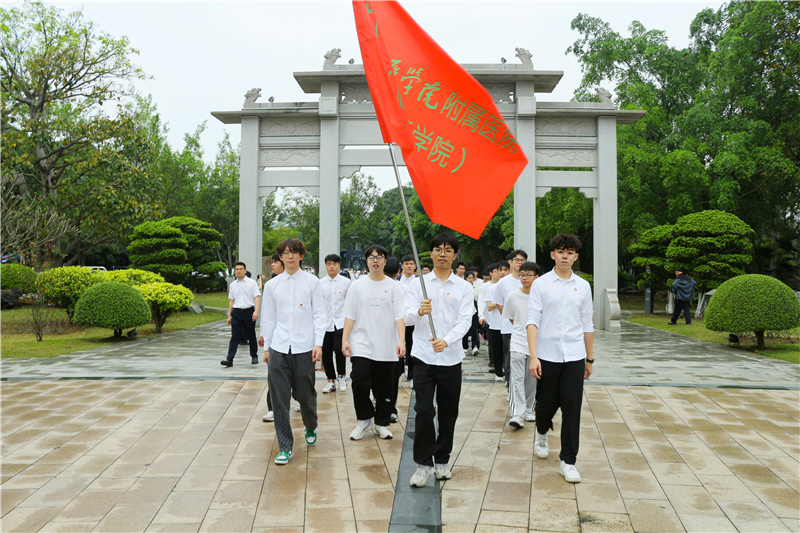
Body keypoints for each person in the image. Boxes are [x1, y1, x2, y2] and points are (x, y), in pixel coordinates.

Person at [405, 234, 473, 487]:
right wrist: (418, 312)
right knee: (423, 410)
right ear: (431, 253)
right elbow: (406, 316)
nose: (442, 254)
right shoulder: (418, 285)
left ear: (455, 255)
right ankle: (423, 464)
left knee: (448, 412)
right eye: (437, 249)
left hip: (451, 358)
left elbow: (465, 321)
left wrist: (447, 340)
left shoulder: (464, 287)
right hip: (424, 357)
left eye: (447, 250)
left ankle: (442, 459)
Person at [527, 234, 594, 484]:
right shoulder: (541, 284)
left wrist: (589, 359)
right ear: (552, 254)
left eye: (570, 252)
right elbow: (532, 321)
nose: (565, 256)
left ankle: (568, 460)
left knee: (572, 407)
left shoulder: (583, 286)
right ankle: (541, 430)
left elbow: (587, 324)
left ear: (576, 256)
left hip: (575, 356)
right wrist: (534, 356)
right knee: (546, 405)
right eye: (560, 251)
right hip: (547, 355)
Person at [258, 238, 326, 465]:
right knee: (279, 399)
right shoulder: (272, 285)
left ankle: (310, 424)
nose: (289, 256)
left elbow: (319, 315)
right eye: (285, 253)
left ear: (301, 256)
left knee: (305, 396)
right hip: (278, 348)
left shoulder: (312, 282)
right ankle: (285, 447)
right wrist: (267, 347)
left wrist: (318, 343)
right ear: (280, 257)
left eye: (294, 252)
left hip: (304, 347)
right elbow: (268, 317)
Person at [342, 245, 406, 440]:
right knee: (359, 379)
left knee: (385, 387)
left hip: (386, 344)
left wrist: (401, 341)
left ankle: (381, 423)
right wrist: (345, 339)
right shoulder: (357, 286)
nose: (375, 260)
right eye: (371, 257)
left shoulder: (394, 287)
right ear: (366, 261)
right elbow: (350, 315)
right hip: (361, 343)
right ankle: (364, 420)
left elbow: (400, 316)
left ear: (385, 260)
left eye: (379, 257)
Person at [502, 261, 540, 428]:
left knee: (532, 379)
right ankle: (517, 413)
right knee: (517, 378)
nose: (524, 278)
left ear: (536, 277)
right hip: (517, 341)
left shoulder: (541, 297)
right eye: (522, 275)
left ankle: (529, 409)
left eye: (528, 275)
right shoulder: (513, 296)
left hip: (537, 344)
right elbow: (512, 318)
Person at [492, 250, 528, 385]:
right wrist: (510, 318)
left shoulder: (529, 280)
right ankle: (509, 380)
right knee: (510, 355)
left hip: (527, 326)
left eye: (522, 260)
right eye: (517, 260)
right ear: (511, 262)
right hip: (508, 326)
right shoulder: (504, 282)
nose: (519, 262)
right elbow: (499, 302)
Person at [320, 254, 351, 393]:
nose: (331, 267)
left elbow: (350, 303)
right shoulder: (320, 283)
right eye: (329, 264)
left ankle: (341, 376)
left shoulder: (346, 282)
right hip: (325, 324)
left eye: (334, 264)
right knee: (326, 353)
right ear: (326, 266)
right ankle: (330, 380)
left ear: (339, 265)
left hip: (340, 322)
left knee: (340, 350)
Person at [222, 262, 261, 367]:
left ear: (245, 270)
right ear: (235, 271)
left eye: (241, 269)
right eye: (237, 269)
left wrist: (256, 311)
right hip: (237, 313)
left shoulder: (252, 283)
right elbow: (232, 301)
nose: (239, 271)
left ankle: (254, 355)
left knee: (251, 334)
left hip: (249, 311)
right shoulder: (233, 285)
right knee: (235, 336)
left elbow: (256, 297)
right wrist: (229, 315)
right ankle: (229, 359)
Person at [263, 254, 285, 423]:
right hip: (277, 339)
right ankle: (272, 408)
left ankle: (298, 399)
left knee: (298, 377)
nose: (272, 264)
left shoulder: (306, 283)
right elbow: (267, 315)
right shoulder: (271, 285)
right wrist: (265, 338)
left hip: (298, 341)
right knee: (274, 376)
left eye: (275, 262)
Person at [485, 261, 509, 380]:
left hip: (509, 325)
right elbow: (489, 307)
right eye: (500, 270)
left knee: (508, 351)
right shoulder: (492, 288)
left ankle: (507, 373)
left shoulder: (514, 287)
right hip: (496, 324)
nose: (503, 272)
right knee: (497, 350)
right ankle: (498, 373)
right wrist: (500, 301)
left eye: (505, 269)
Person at [398, 254, 418, 387]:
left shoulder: (419, 281)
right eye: (406, 263)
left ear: (415, 266)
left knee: (412, 348)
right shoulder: (397, 281)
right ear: (402, 266)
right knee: (398, 345)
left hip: (413, 320)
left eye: (411, 263)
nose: (409, 266)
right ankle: (400, 373)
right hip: (399, 319)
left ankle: (412, 376)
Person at [478, 263, 499, 372]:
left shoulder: (504, 284)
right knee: (492, 342)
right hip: (490, 318)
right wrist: (481, 315)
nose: (499, 273)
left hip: (503, 319)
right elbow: (481, 301)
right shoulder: (485, 286)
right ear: (490, 273)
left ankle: (502, 364)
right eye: (496, 271)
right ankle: (493, 363)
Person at [461, 271, 480, 355]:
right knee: (464, 329)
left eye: (472, 278)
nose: (471, 279)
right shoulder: (462, 287)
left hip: (474, 311)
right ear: (466, 278)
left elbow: (479, 299)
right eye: (469, 278)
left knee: (474, 329)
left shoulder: (477, 288)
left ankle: (475, 346)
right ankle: (464, 346)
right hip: (464, 311)